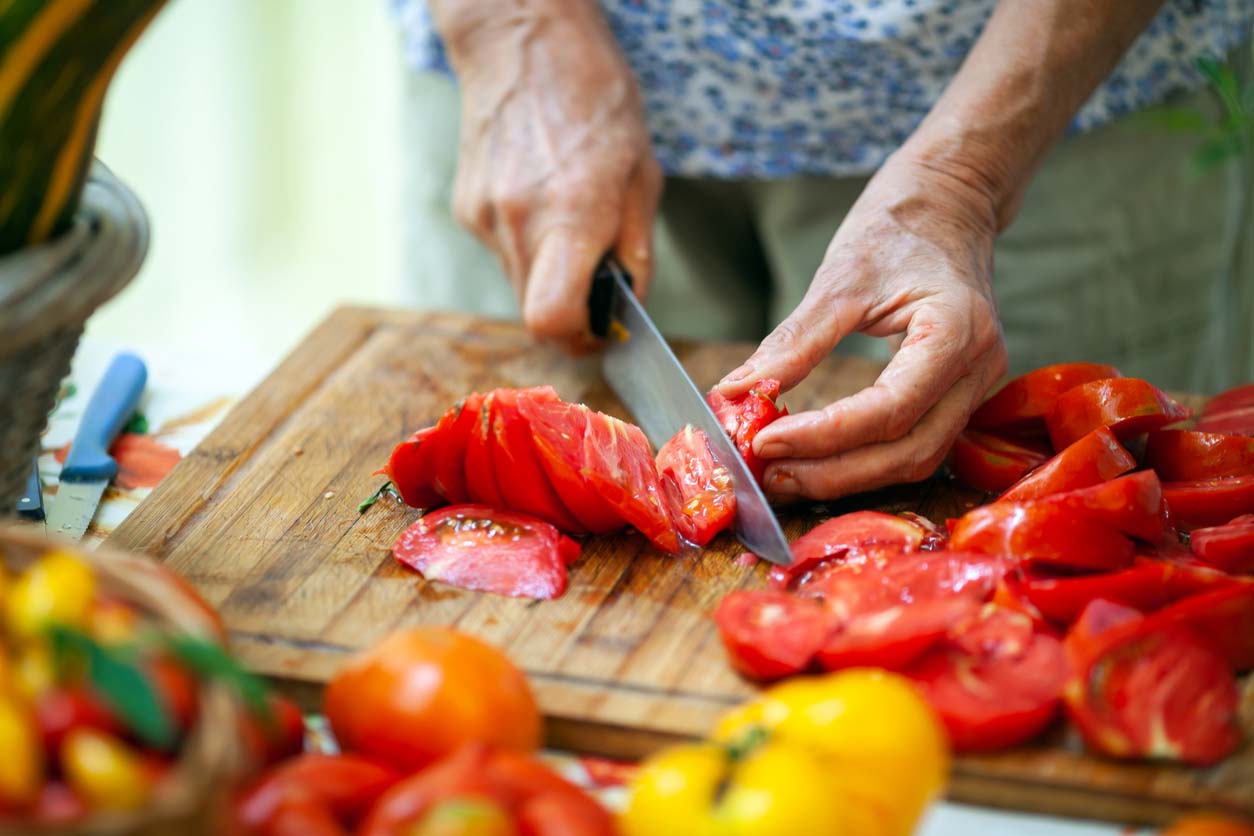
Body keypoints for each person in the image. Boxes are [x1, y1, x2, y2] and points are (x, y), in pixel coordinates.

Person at [394, 0, 1254, 502]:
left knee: (1090, 506)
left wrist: (966, 177)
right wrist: (510, 30)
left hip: (1053, 91)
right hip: (539, 98)